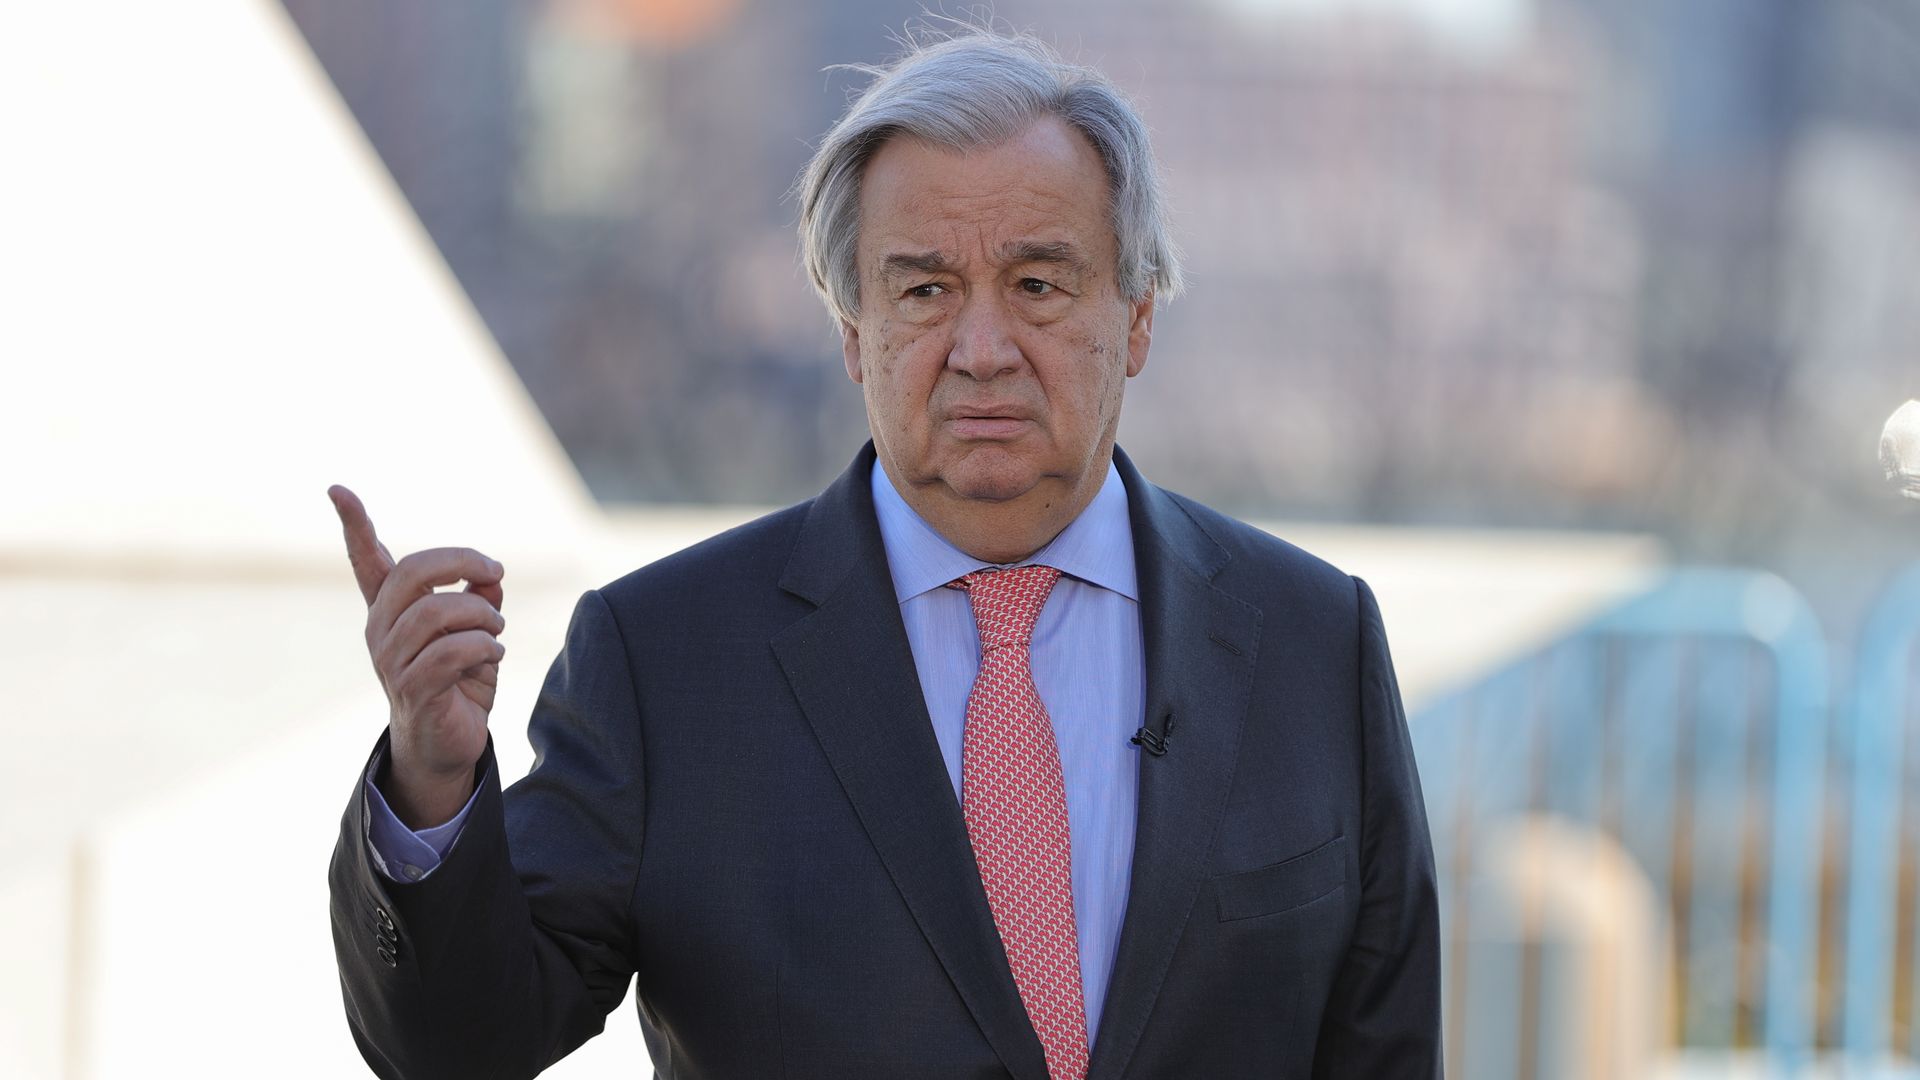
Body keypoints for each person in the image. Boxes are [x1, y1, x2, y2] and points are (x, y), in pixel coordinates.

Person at [327, 28, 1441, 1080]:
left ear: (1138, 313)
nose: (983, 349)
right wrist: (431, 778)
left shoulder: (1312, 643)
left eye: (1039, 285)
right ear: (855, 334)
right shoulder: (665, 658)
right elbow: (459, 1048)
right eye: (924, 290)